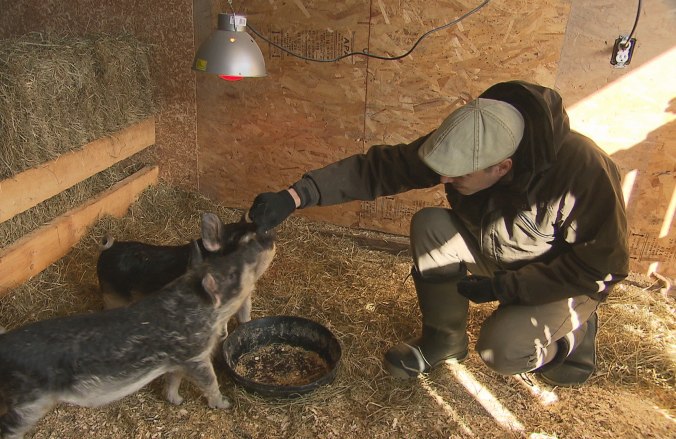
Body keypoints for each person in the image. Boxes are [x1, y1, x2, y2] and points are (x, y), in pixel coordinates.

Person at [246, 80, 629, 386]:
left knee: (503, 352)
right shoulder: (474, 139)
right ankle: (444, 342)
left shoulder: (582, 171)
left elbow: (601, 268)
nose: (443, 179)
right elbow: (383, 169)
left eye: (456, 174)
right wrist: (296, 196)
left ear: (502, 167)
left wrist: (506, 289)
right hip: (499, 251)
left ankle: (569, 341)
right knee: (431, 224)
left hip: (561, 279)